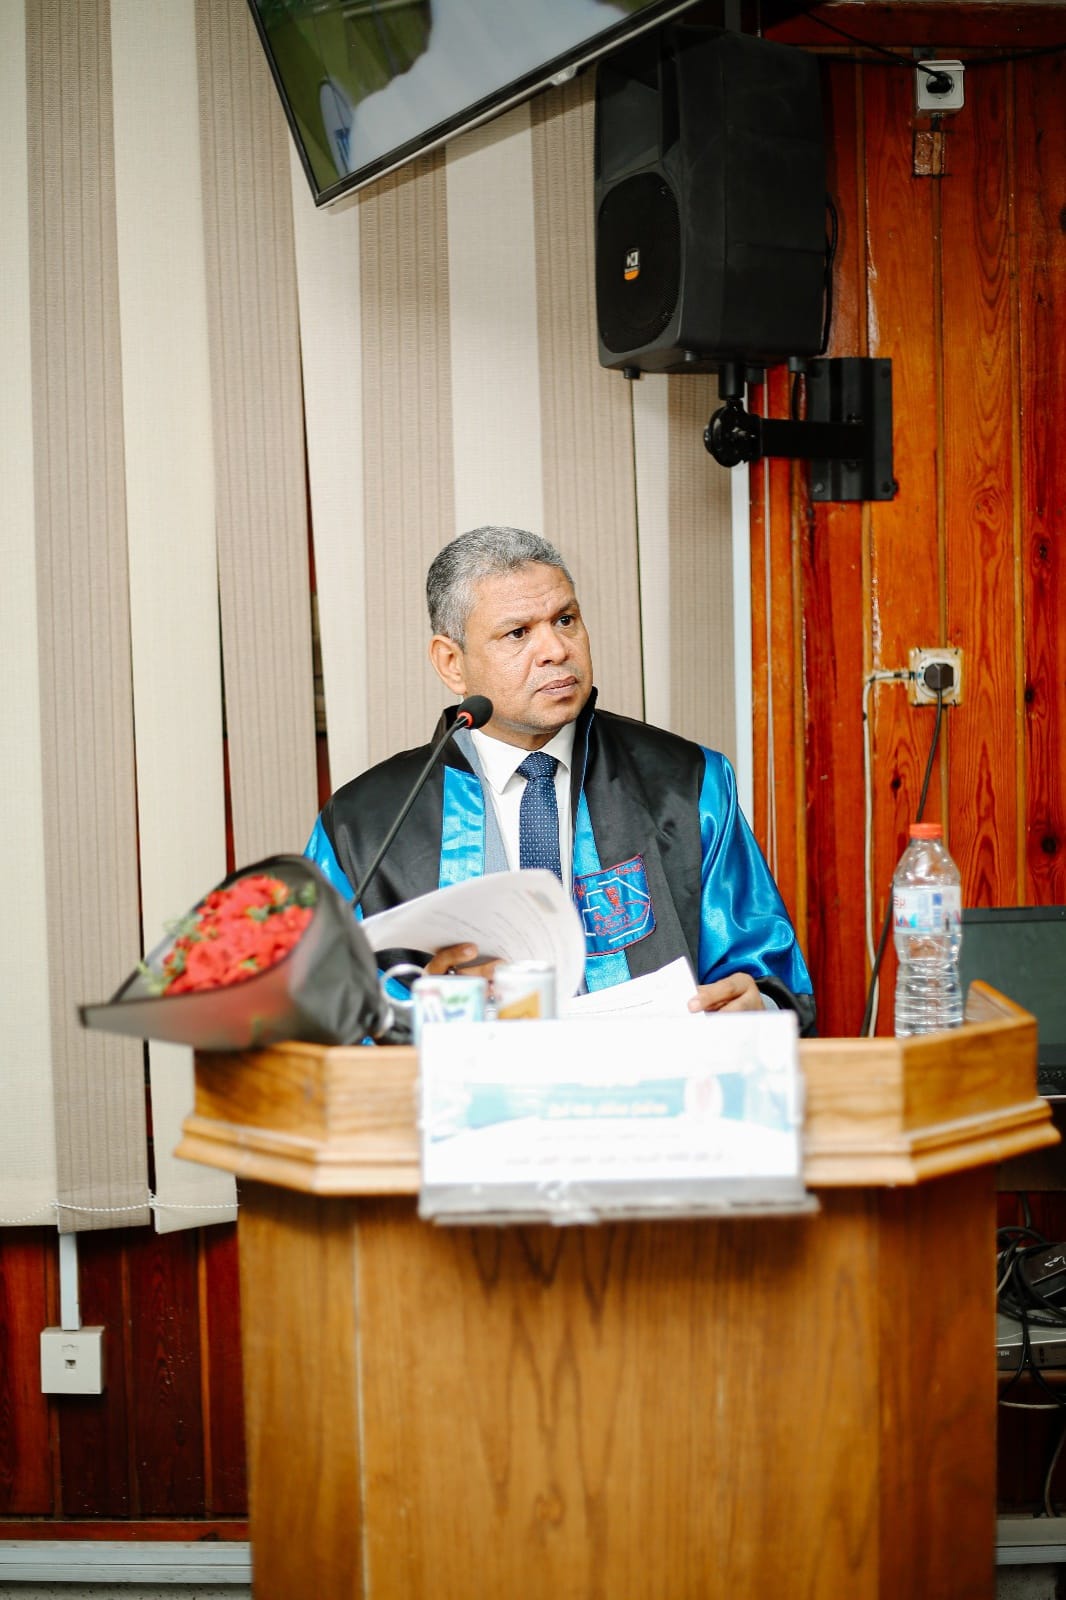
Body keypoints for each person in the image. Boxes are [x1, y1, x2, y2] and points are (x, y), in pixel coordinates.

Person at [305, 526, 815, 1032]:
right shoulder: (363, 825)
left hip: (652, 1079)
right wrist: (420, 1017)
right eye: (518, 633)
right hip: (469, 1083)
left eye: (565, 620)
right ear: (452, 663)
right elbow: (322, 1015)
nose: (555, 649)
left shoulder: (686, 784)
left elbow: (769, 978)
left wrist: (760, 1012)